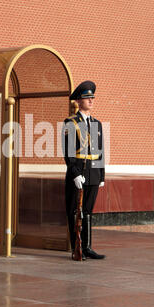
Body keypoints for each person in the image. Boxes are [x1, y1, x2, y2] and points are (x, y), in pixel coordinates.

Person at [62, 80, 105, 260]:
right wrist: (75, 174)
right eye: (87, 98)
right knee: (75, 212)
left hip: (93, 174)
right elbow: (68, 152)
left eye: (92, 98)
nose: (91, 101)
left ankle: (87, 247)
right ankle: (76, 248)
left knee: (87, 211)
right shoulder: (71, 123)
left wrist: (101, 175)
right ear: (78, 101)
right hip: (78, 173)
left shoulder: (97, 124)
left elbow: (100, 151)